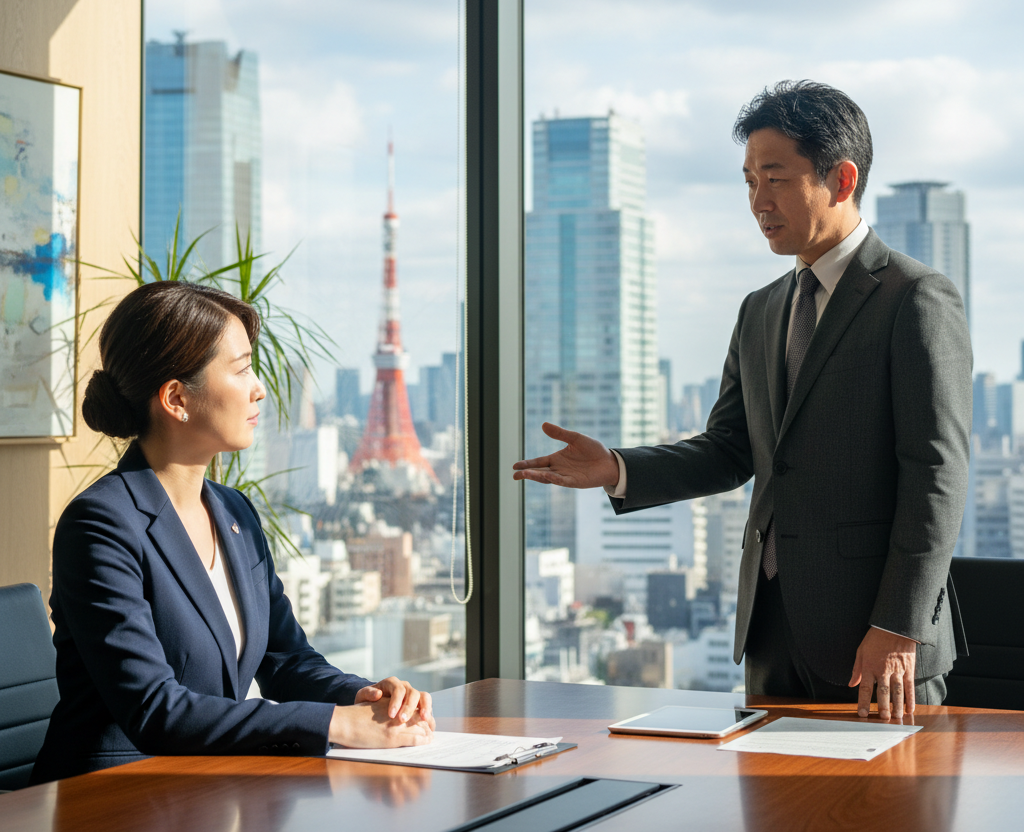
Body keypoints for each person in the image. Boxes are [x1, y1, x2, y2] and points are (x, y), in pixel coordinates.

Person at [513, 81, 971, 720]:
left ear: (842, 179)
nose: (759, 201)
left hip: (878, 641)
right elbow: (730, 450)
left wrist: (899, 627)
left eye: (776, 178)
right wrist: (617, 468)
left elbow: (937, 476)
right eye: (749, 180)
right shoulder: (760, 310)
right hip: (770, 630)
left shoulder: (914, 298)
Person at [32, 281, 434, 784]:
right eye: (241, 368)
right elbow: (156, 710)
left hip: (208, 785)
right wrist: (338, 724)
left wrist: (365, 698)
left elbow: (285, 659)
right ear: (176, 398)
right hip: (111, 794)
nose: (259, 387)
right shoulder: (102, 524)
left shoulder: (234, 512)